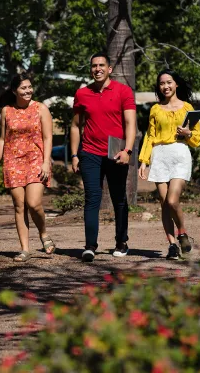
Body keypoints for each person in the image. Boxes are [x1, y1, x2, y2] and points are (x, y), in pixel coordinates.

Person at [70, 53, 137, 262]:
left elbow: (130, 124)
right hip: (89, 153)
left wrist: (127, 151)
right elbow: (75, 126)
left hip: (115, 152)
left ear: (109, 69)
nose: (97, 69)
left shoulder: (123, 91)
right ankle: (90, 246)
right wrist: (74, 154)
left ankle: (121, 241)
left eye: (101, 65)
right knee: (92, 199)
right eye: (93, 66)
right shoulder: (82, 94)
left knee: (119, 198)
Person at [138, 69, 200, 260]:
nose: (165, 86)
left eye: (169, 82)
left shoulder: (187, 108)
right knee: (164, 204)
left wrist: (187, 133)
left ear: (176, 85)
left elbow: (197, 138)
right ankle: (172, 244)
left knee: (173, 201)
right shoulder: (155, 109)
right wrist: (144, 160)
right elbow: (150, 136)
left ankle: (182, 233)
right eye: (162, 83)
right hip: (160, 155)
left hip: (180, 154)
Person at [0, 72, 56, 262]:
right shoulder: (6, 111)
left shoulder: (40, 108)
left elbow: (48, 137)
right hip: (13, 161)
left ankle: (43, 233)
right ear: (14, 91)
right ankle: (25, 249)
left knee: (33, 203)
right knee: (19, 206)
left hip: (36, 159)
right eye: (23, 88)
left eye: (29, 87)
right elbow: (3, 139)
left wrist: (46, 161)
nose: (28, 91)